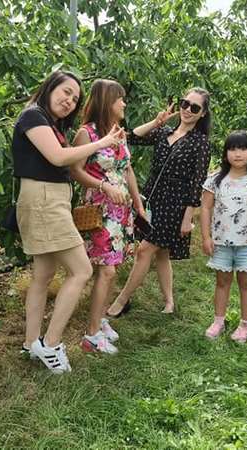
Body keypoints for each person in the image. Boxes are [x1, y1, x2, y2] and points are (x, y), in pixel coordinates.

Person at [12, 71, 124, 374]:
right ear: (50, 87)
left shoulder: (49, 122)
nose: (69, 101)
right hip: (44, 200)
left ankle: (31, 343)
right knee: (81, 270)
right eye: (66, 92)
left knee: (43, 275)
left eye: (75, 99)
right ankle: (50, 344)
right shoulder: (33, 116)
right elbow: (59, 157)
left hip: (49, 199)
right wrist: (102, 142)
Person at [106, 88, 212, 317]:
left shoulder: (201, 143)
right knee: (161, 252)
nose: (187, 110)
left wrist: (187, 218)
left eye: (195, 107)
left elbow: (197, 182)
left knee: (144, 251)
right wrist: (155, 123)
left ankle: (122, 301)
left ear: (203, 113)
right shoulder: (164, 132)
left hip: (175, 205)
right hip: (152, 200)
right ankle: (169, 302)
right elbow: (131, 137)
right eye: (185, 103)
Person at [70, 79, 143, 354]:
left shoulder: (118, 133)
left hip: (121, 211)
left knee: (113, 270)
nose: (124, 103)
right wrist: (104, 186)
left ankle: (100, 321)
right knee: (106, 270)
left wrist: (138, 204)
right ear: (107, 101)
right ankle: (91, 335)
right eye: (119, 98)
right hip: (100, 211)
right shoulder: (86, 133)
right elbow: (75, 170)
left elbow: (127, 170)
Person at [200, 131, 247, 343]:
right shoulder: (215, 180)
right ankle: (218, 321)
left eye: (243, 148)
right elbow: (206, 208)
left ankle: (245, 324)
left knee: (246, 283)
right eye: (232, 149)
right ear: (225, 153)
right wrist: (206, 237)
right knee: (222, 282)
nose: (237, 153)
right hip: (221, 242)